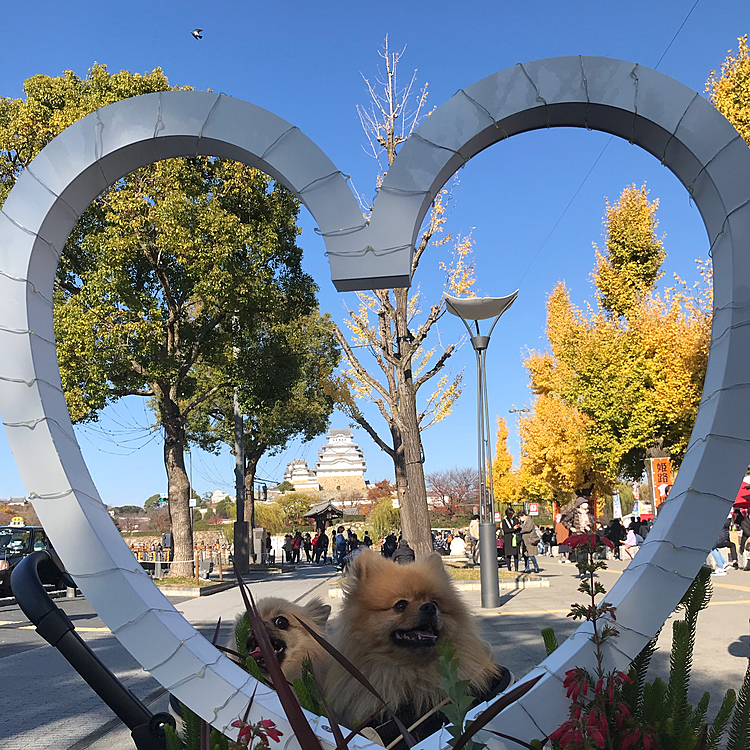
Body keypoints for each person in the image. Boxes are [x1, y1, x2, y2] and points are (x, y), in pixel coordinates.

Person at [501, 507, 520, 572]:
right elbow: (505, 530)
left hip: (515, 538)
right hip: (508, 539)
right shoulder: (504, 521)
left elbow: (519, 528)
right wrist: (513, 529)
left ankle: (516, 568)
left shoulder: (515, 519)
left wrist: (519, 526)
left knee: (516, 555)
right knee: (508, 555)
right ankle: (509, 568)